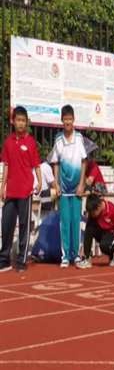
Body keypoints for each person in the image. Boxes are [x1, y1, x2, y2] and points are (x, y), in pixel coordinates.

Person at [0, 106, 42, 272]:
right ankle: (4, 259)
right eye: (18, 120)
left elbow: (36, 164)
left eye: (23, 121)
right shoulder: (8, 142)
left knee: (24, 225)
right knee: (6, 224)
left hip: (25, 191)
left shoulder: (30, 142)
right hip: (10, 191)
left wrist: (39, 181)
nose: (20, 123)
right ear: (13, 121)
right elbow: (6, 165)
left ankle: (22, 260)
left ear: (26, 122)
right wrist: (3, 186)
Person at [48, 105, 88, 269]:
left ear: (73, 120)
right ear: (62, 121)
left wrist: (81, 184)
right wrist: (56, 184)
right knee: (65, 222)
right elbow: (55, 162)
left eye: (70, 119)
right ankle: (65, 256)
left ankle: (76, 256)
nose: (68, 122)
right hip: (63, 190)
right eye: (65, 119)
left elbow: (84, 161)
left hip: (77, 189)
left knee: (76, 222)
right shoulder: (58, 139)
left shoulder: (79, 138)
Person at [84, 193, 114, 268]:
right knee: (89, 228)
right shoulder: (93, 212)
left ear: (99, 207)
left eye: (93, 213)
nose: (91, 215)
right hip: (102, 232)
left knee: (103, 246)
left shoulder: (111, 208)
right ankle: (87, 259)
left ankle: (113, 254)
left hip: (113, 234)